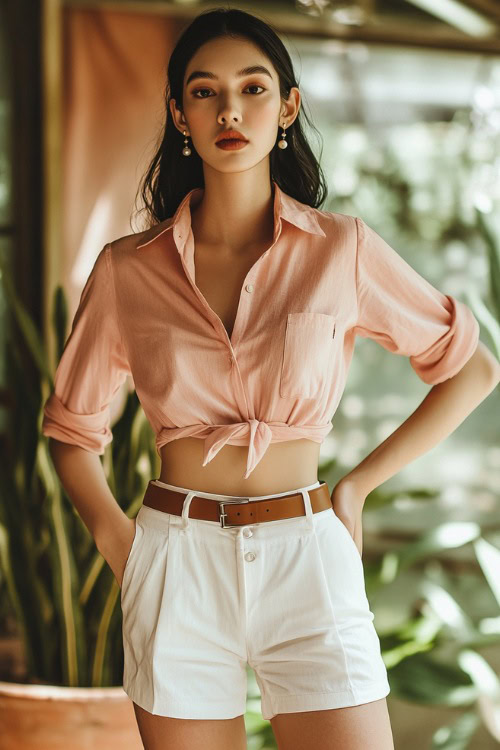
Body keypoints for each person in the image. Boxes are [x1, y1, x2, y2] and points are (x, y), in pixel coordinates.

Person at [41, 7, 500, 750]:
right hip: (176, 559)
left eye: (253, 89)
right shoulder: (128, 270)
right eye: (204, 91)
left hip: (307, 557)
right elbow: (70, 432)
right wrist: (128, 547)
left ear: (287, 107)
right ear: (178, 115)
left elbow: (470, 370)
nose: (230, 110)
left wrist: (355, 486)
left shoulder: (340, 249)